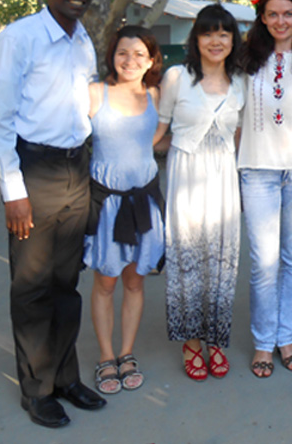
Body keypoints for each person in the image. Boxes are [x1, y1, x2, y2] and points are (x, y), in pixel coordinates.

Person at [0, 0, 106, 428]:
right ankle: (37, 391)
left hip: (76, 169)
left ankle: (65, 378)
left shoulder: (82, 41)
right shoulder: (18, 39)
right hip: (34, 171)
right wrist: (14, 193)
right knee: (32, 287)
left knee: (65, 284)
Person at [153, 5, 245, 381]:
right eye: (208, 33)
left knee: (222, 259)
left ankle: (216, 339)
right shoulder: (177, 77)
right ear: (196, 38)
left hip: (224, 181)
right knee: (187, 257)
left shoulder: (241, 82)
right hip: (186, 179)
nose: (216, 41)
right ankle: (191, 342)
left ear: (233, 39)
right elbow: (158, 132)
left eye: (224, 33)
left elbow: (241, 137)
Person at [238, 0, 292, 378]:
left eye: (288, 13)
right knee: (263, 263)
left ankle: (285, 337)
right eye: (273, 14)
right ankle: (262, 341)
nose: (281, 21)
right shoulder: (244, 60)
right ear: (262, 17)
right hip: (256, 172)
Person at [84, 25, 165, 395]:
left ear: (150, 61)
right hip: (107, 207)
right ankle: (106, 356)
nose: (130, 60)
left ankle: (126, 353)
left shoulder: (155, 95)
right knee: (106, 281)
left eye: (139, 54)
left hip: (143, 204)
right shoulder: (95, 93)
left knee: (135, 281)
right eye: (122, 53)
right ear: (112, 56)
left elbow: (153, 137)